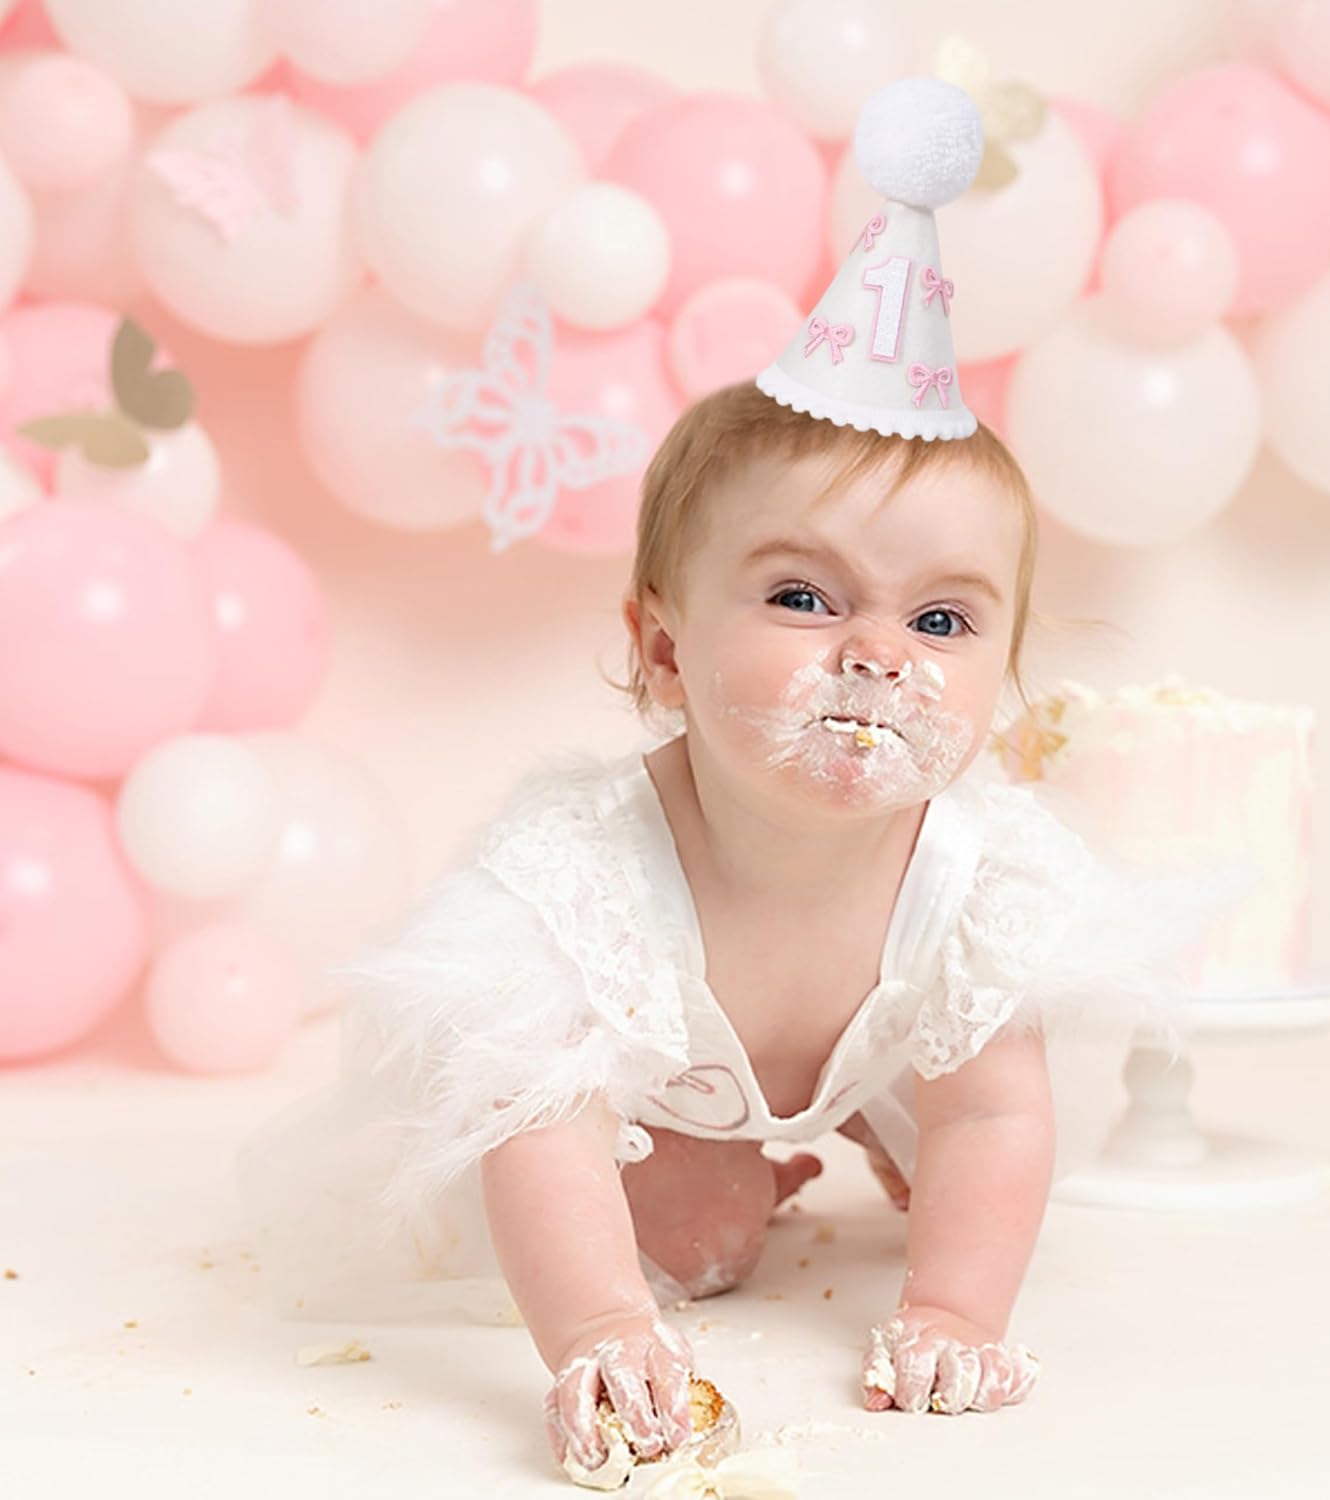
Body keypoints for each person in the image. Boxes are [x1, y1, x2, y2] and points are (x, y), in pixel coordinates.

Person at [236, 77, 1210, 1481]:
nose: (879, 655)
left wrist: (953, 1308)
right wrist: (599, 1330)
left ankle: (842, 1130)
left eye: (942, 621)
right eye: (806, 598)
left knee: (966, 1149)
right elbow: (540, 1122)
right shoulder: (583, 875)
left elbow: (998, 1106)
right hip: (650, 1084)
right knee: (692, 1242)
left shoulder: (980, 877)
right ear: (663, 651)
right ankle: (735, 1166)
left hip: (837, 1051)